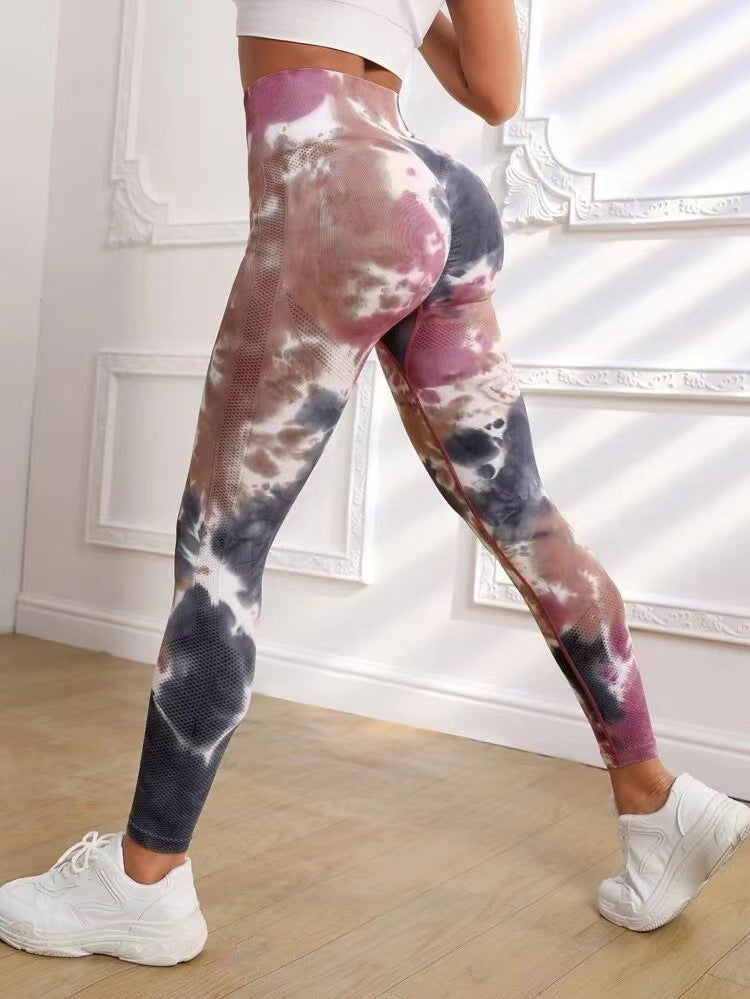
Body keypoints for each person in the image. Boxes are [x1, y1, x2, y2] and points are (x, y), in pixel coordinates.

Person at [1, 0, 748, 967]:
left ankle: (144, 883)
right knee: (520, 513)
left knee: (222, 547)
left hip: (334, 185)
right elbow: (495, 91)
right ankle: (654, 797)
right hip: (438, 192)